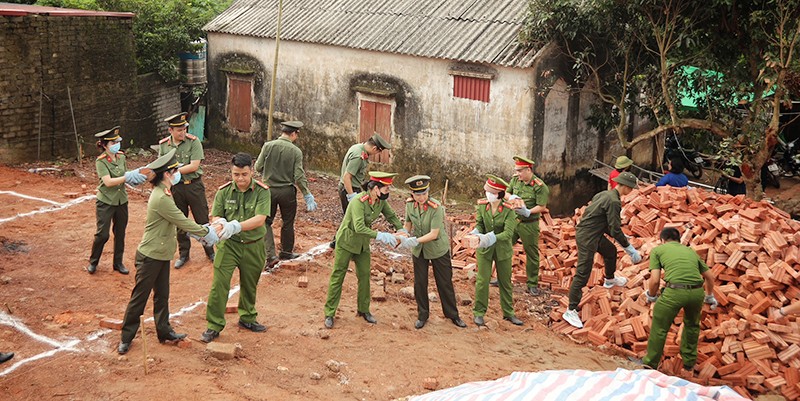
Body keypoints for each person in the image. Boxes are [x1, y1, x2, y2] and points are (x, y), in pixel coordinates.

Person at [118, 149, 219, 355]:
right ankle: (126, 337)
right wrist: (207, 232)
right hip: (150, 256)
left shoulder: (165, 192)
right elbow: (182, 222)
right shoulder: (162, 198)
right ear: (167, 174)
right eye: (175, 171)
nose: (177, 173)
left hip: (162, 254)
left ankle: (164, 331)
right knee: (140, 297)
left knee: (162, 295)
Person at [201, 153, 271, 343]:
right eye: (236, 174)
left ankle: (247, 318)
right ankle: (214, 325)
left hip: (253, 245)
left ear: (252, 171)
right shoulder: (223, 192)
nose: (240, 179)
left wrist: (237, 226)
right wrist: (220, 223)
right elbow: (215, 216)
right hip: (229, 246)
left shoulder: (262, 192)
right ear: (231, 172)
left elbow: (260, 219)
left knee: (250, 284)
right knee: (219, 284)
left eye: (244, 174)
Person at [323, 171, 405, 329]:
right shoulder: (358, 202)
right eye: (386, 189)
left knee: (365, 276)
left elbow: (391, 216)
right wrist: (381, 235)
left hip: (362, 245)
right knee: (338, 276)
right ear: (375, 188)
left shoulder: (380, 202)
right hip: (347, 242)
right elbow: (359, 227)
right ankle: (330, 313)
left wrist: (402, 231)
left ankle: (363, 310)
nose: (388, 193)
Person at [563, 172, 642, 329]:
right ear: (625, 187)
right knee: (583, 271)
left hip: (594, 232)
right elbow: (614, 228)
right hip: (587, 236)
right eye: (631, 188)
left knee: (610, 251)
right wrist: (629, 248)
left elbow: (600, 219)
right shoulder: (614, 201)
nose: (631, 191)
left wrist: (618, 236)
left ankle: (609, 280)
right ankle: (570, 310)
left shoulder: (605, 194)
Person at [641, 227, 717, 370]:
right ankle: (689, 363)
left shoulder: (658, 251)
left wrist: (651, 295)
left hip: (675, 292)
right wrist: (709, 296)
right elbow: (709, 276)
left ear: (662, 240)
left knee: (660, 326)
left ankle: (650, 363)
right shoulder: (690, 251)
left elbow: (655, 280)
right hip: (697, 292)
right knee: (692, 325)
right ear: (679, 239)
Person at [399, 175, 466, 329]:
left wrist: (415, 240)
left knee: (444, 283)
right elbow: (407, 224)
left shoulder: (436, 208)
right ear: (412, 195)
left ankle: (452, 315)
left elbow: (434, 233)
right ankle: (422, 315)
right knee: (420, 283)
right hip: (419, 250)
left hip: (437, 248)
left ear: (428, 192)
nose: (421, 197)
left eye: (424, 193)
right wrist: (403, 235)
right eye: (418, 194)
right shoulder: (410, 205)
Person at [254, 121, 317, 268]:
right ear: (294, 134)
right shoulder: (296, 151)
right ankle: (287, 252)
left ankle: (270, 255)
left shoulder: (268, 146)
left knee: (266, 221)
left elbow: (258, 167)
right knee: (288, 222)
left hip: (268, 190)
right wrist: (307, 194)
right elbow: (299, 176)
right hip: (287, 192)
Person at [158, 112, 215, 268]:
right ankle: (184, 254)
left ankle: (210, 250)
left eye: (184, 129)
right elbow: (161, 165)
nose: (183, 132)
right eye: (179, 130)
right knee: (179, 221)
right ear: (170, 130)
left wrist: (173, 170)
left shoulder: (194, 142)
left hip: (194, 186)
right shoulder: (164, 145)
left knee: (202, 219)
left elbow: (194, 165)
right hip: (176, 188)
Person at [87, 126, 147, 275]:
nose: (116, 145)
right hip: (106, 201)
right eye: (113, 143)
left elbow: (124, 179)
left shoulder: (121, 157)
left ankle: (118, 263)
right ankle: (93, 261)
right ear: (104, 145)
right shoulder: (101, 161)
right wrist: (127, 176)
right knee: (103, 234)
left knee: (120, 233)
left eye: (117, 142)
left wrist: (135, 179)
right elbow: (108, 182)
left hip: (121, 200)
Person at [469, 175, 522, 326]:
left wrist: (490, 238)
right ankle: (479, 312)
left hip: (502, 250)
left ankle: (508, 313)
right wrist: (475, 233)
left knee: (505, 282)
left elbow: (508, 233)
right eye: (487, 191)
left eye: (491, 192)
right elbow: (480, 224)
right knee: (482, 281)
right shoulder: (482, 205)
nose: (487, 194)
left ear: (499, 194)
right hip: (484, 250)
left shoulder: (508, 210)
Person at [330, 134, 392, 248]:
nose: (376, 154)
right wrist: (352, 196)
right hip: (349, 188)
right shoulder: (359, 156)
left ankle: (338, 241)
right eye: (378, 152)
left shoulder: (358, 147)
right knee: (352, 218)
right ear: (374, 148)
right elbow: (347, 177)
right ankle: (339, 242)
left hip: (353, 187)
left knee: (350, 217)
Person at [505, 156, 550, 296]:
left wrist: (528, 211)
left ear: (528, 169)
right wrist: (511, 198)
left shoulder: (539, 186)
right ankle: (501, 277)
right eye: (516, 171)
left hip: (529, 224)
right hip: (513, 221)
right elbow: (506, 192)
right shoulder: (515, 180)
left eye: (520, 171)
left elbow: (542, 206)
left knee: (531, 254)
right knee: (504, 248)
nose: (518, 174)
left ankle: (532, 284)